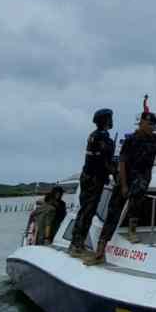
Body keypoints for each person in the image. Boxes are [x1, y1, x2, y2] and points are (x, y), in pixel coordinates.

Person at [85, 111, 156, 265]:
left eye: (153, 125)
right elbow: (122, 163)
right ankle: (100, 250)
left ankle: (132, 229)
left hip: (142, 176)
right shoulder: (131, 140)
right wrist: (123, 185)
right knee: (113, 212)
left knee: (138, 193)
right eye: (148, 124)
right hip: (126, 177)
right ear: (141, 123)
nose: (151, 128)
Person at [68, 108, 115, 257]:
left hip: (90, 176)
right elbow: (104, 161)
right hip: (94, 178)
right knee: (87, 211)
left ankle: (76, 243)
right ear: (105, 120)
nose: (112, 121)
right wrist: (115, 172)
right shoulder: (101, 139)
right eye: (110, 118)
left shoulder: (95, 136)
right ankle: (76, 244)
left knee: (85, 210)